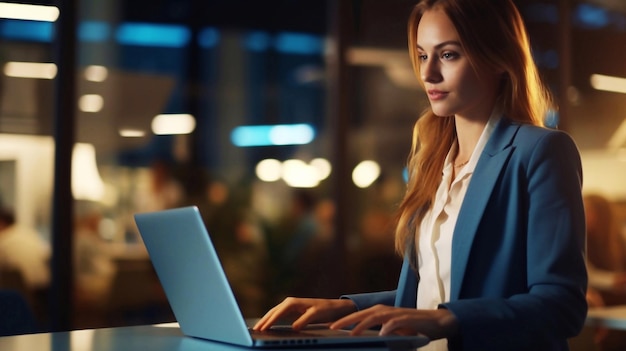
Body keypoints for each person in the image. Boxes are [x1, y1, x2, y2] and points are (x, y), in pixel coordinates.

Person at [253, 1, 587, 350]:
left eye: (448, 55)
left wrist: (448, 318)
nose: (428, 75)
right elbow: (434, 288)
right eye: (423, 55)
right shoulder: (429, 162)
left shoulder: (540, 152)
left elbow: (562, 305)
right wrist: (344, 307)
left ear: (497, 58)